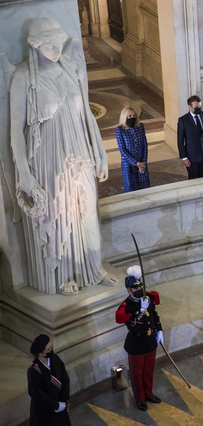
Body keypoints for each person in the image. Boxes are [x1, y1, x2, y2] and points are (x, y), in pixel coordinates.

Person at [8, 18, 116, 295]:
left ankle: (93, 266)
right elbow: (16, 132)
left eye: (60, 44)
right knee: (60, 214)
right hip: (48, 157)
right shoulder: (23, 78)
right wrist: (24, 173)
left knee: (88, 210)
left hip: (79, 151)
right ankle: (65, 274)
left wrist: (101, 152)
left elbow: (87, 117)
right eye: (51, 45)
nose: (57, 50)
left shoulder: (72, 70)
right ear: (35, 45)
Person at [115, 266, 163, 411]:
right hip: (136, 343)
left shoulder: (148, 297)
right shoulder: (126, 306)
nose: (139, 289)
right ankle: (140, 398)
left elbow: (154, 315)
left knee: (149, 370)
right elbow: (133, 326)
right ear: (128, 290)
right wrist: (141, 311)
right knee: (137, 373)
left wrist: (159, 330)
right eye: (135, 288)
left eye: (140, 286)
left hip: (150, 341)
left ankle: (148, 393)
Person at [27, 334, 71, 426]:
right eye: (48, 350)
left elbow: (65, 379)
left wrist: (64, 400)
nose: (51, 351)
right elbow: (37, 393)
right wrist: (55, 405)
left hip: (60, 406)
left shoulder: (55, 359)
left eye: (51, 347)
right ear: (40, 353)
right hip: (44, 412)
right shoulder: (34, 370)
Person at [177, 95, 203, 180]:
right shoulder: (183, 120)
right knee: (193, 179)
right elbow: (180, 141)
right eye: (196, 107)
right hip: (192, 156)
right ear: (190, 107)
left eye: (200, 107)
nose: (199, 109)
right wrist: (184, 157)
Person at [115, 107, 150, 193]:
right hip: (128, 164)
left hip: (142, 163)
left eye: (134, 116)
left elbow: (145, 145)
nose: (132, 118)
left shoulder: (140, 126)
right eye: (129, 116)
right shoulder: (120, 130)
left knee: (144, 188)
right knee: (131, 189)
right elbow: (122, 150)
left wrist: (143, 163)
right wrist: (136, 164)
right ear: (125, 117)